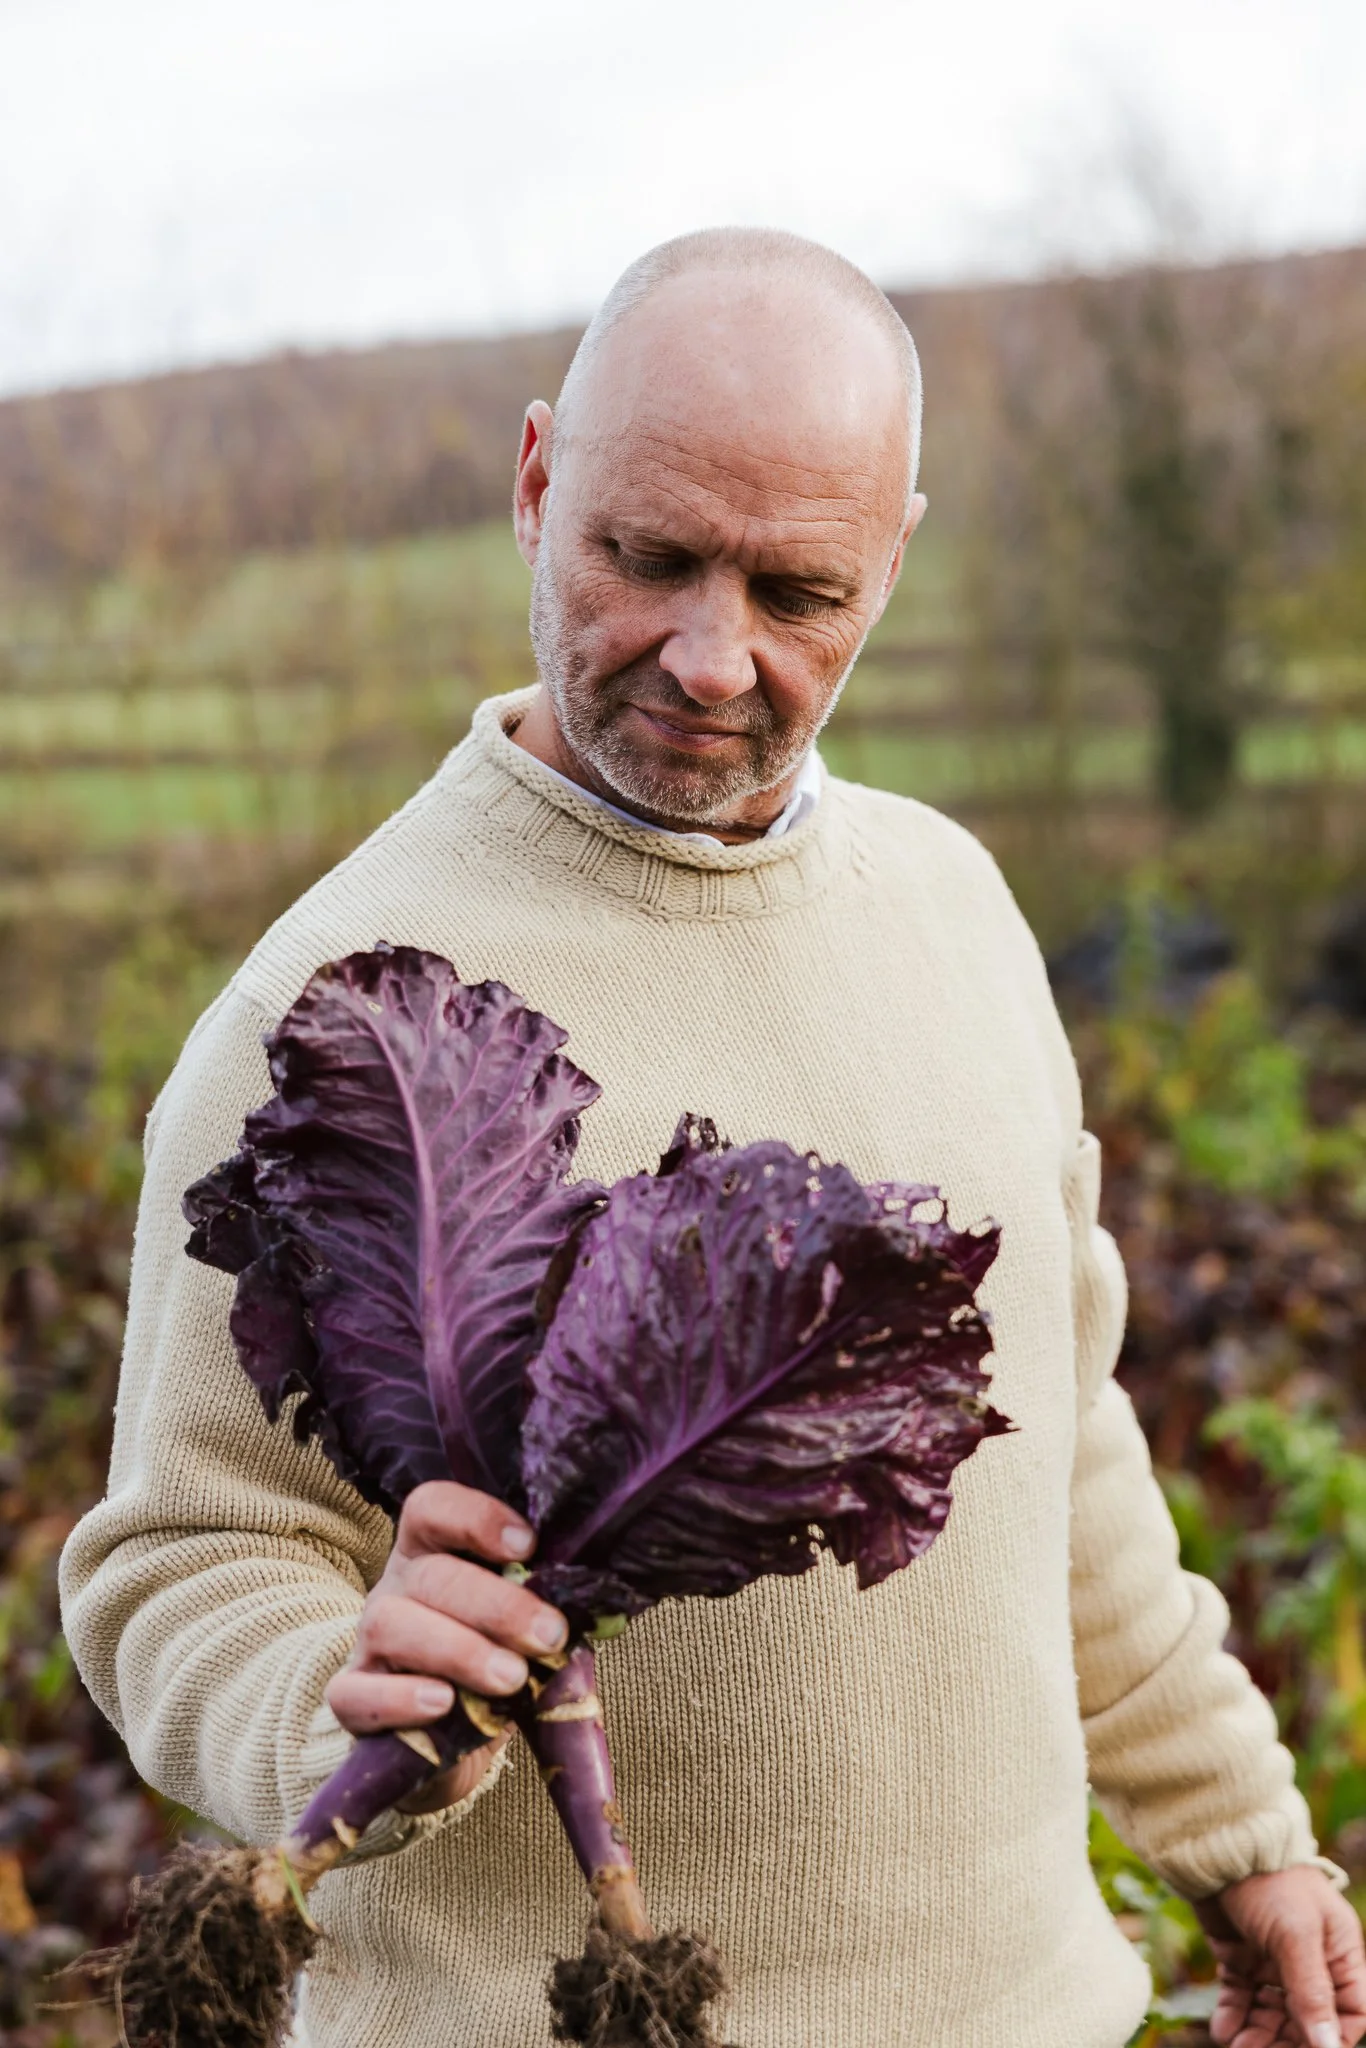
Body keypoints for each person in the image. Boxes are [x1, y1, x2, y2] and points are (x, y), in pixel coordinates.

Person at [60, 228, 1366, 2048]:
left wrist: (1238, 1830)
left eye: (797, 592)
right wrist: (323, 1688)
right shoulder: (339, 1012)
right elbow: (173, 1558)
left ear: (894, 555)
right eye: (647, 557)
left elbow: (1056, 1434)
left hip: (1030, 2009)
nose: (709, 655)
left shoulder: (955, 904)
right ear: (536, 485)